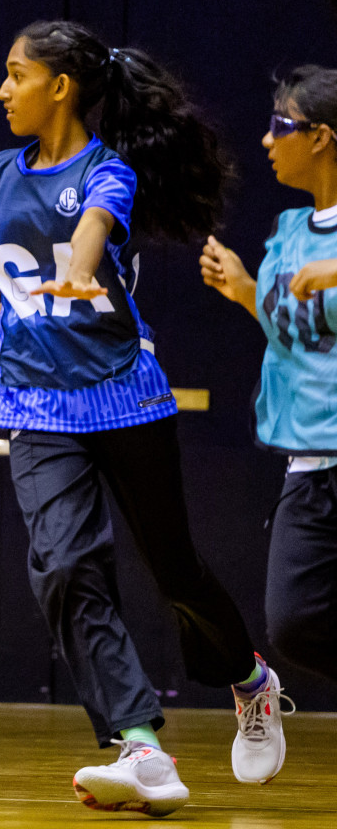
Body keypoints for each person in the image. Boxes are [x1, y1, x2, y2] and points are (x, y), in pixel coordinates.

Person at [0, 20, 284, 816]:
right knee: (65, 565)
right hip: (35, 406)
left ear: (60, 86)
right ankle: (141, 742)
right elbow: (14, 304)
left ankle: (251, 681)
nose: (3, 91)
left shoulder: (108, 172)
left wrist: (79, 271)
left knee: (174, 570)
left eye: (16, 75)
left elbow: (91, 234)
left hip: (122, 395)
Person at [201, 64, 337, 694]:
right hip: (308, 463)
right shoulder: (287, 233)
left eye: (281, 125)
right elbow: (294, 329)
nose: (266, 139)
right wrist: (246, 291)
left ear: (321, 137)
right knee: (293, 622)